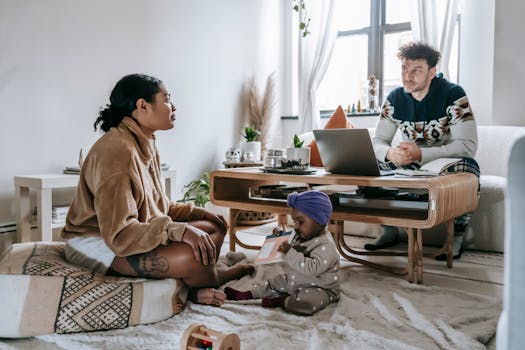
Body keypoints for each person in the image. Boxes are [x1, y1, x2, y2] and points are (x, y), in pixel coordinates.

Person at [62, 74, 254, 307]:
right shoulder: (118, 152)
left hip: (130, 235)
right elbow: (120, 233)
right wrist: (180, 231)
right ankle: (198, 288)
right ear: (142, 106)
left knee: (213, 228)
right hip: (99, 244)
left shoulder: (145, 141)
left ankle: (197, 281)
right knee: (195, 255)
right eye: (166, 99)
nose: (173, 106)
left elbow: (159, 207)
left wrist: (200, 214)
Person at [364, 41, 480, 260]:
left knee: (469, 168)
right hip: (410, 163)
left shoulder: (453, 94)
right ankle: (388, 230)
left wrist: (422, 153)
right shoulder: (394, 98)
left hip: (444, 162)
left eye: (416, 70)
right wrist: (389, 154)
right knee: (370, 167)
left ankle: (455, 237)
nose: (408, 76)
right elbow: (379, 140)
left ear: (432, 71)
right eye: (404, 70)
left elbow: (467, 146)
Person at [224, 190, 340, 316]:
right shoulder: (304, 235)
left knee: (308, 303)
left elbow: (311, 268)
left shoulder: (326, 246)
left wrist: (289, 252)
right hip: (296, 281)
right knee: (273, 282)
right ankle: (249, 294)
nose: (296, 226)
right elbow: (294, 247)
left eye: (300, 222)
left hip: (320, 288)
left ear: (319, 220)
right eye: (294, 222)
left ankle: (283, 301)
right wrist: (280, 237)